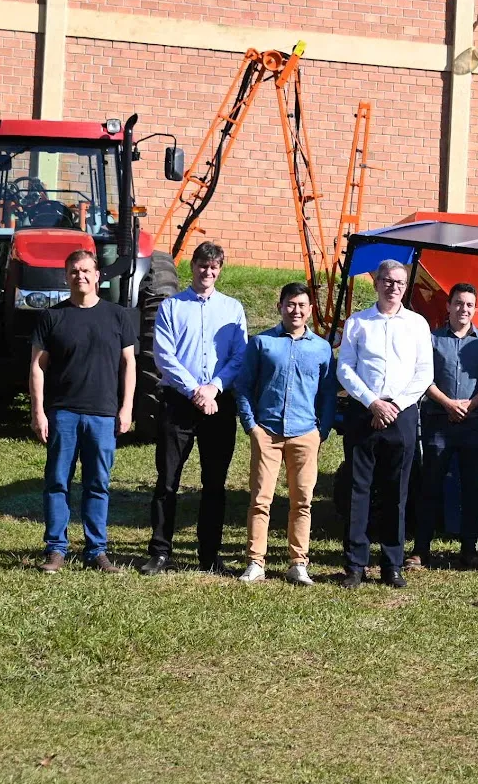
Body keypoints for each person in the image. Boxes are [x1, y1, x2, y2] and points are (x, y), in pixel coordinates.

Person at [140, 241, 248, 576]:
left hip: (219, 404)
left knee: (214, 483)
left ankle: (209, 555)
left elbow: (239, 356)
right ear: (193, 267)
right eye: (203, 265)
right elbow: (164, 356)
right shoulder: (172, 307)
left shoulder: (232, 309)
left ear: (220, 269)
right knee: (167, 480)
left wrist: (213, 388)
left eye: (214, 267)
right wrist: (194, 391)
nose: (208, 272)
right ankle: (160, 552)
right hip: (180, 403)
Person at [29, 248, 137, 574]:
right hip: (63, 414)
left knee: (98, 483)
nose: (81, 276)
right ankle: (56, 550)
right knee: (57, 482)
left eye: (87, 270)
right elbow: (37, 367)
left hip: (103, 415)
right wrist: (38, 411)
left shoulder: (118, 316)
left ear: (97, 276)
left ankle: (97, 550)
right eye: (75, 271)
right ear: (67, 276)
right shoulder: (52, 317)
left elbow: (129, 363)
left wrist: (127, 407)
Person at [336, 260, 434, 588]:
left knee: (397, 490)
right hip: (364, 413)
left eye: (399, 283)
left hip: (402, 414)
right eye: (387, 281)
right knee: (358, 489)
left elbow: (424, 372)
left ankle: (392, 563)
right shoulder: (358, 323)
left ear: (406, 288)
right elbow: (345, 368)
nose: (392, 287)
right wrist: (372, 402)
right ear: (377, 283)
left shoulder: (418, 324)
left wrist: (394, 405)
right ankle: (355, 565)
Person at [232, 283, 334, 586]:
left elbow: (328, 393)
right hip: (268, 431)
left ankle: (298, 563)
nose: (296, 310)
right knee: (261, 499)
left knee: (302, 501)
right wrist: (251, 425)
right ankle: (255, 562)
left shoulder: (321, 348)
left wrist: (321, 430)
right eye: (290, 304)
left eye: (302, 305)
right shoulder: (262, 343)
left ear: (310, 310)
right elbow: (244, 386)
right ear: (280, 307)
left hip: (305, 433)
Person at [413, 283, 478, 570]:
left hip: (474, 425)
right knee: (430, 486)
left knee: (472, 488)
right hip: (438, 423)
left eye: (469, 305)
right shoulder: (431, 340)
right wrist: (449, 404)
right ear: (449, 306)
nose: (464, 309)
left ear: (475, 309)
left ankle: (468, 549)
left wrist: (470, 405)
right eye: (459, 303)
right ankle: (420, 550)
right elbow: (423, 378)